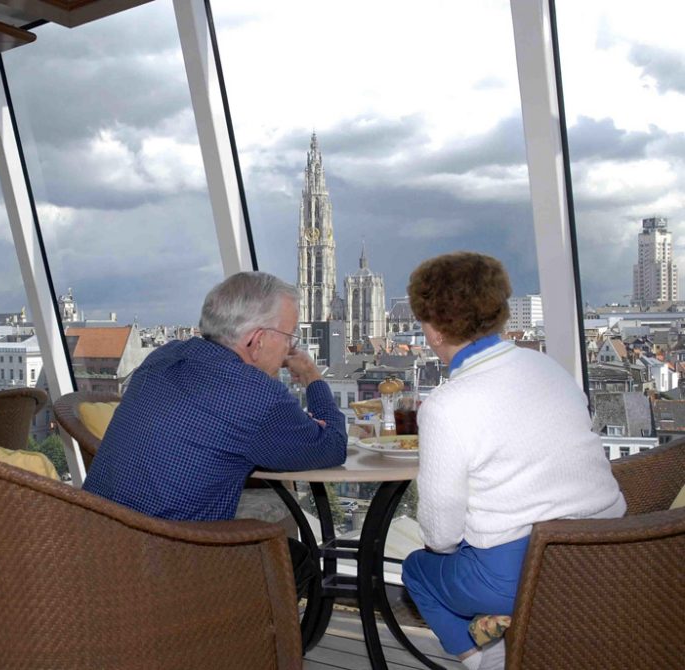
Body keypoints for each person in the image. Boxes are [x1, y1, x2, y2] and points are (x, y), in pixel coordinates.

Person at [401, 252, 626, 670]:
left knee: (418, 570)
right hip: (607, 549)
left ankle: (490, 662)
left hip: (520, 575)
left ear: (432, 330)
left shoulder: (447, 405)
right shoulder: (549, 367)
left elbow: (440, 535)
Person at [83, 271, 347, 594]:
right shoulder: (257, 397)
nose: (290, 348)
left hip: (93, 550)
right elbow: (333, 445)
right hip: (164, 572)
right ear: (257, 340)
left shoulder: (164, 357)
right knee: (298, 561)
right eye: (289, 336)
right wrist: (310, 375)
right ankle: (246, 644)